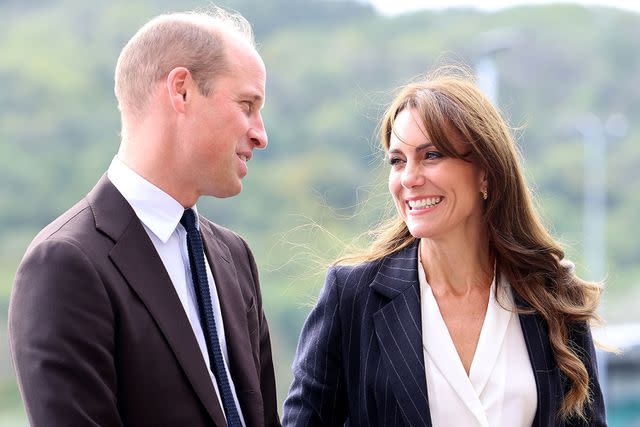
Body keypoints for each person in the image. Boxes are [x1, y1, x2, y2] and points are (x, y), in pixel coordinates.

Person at [282, 67, 606, 426]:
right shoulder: (352, 296)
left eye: (431, 155)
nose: (409, 178)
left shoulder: (553, 295)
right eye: (398, 161)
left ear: (485, 170)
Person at [9, 8, 280, 427]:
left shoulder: (234, 257)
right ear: (182, 91)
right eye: (247, 105)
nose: (261, 134)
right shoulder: (64, 263)